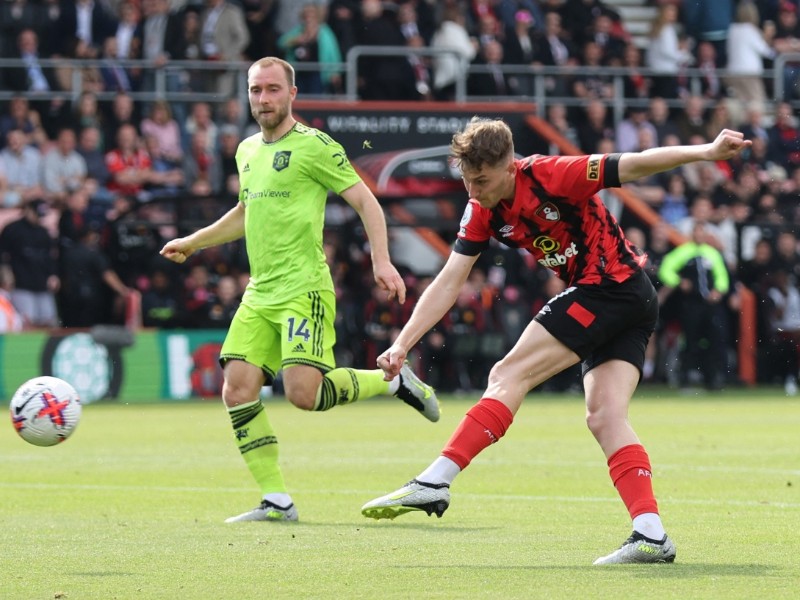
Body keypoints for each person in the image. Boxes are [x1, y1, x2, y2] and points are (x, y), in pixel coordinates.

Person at [359, 117, 751, 564]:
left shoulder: (552, 174)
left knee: (508, 373)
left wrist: (705, 151)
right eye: (467, 181)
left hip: (609, 289)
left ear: (510, 166)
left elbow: (635, 163)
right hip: (629, 298)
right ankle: (651, 534)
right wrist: (403, 342)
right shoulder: (481, 208)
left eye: (482, 181)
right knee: (604, 417)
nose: (474, 191)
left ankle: (435, 480)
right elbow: (451, 280)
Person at [159, 57, 439, 524]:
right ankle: (276, 500)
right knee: (237, 388)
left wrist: (381, 260)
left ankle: (392, 381)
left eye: (272, 89)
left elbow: (366, 200)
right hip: (260, 292)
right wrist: (193, 242)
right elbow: (245, 213)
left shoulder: (314, 147)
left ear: (292, 94)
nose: (263, 99)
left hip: (303, 287)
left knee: (303, 395)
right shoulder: (247, 150)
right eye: (255, 90)